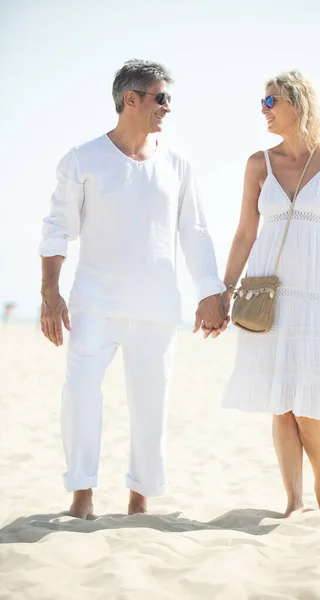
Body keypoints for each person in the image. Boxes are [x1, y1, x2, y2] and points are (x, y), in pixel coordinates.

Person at [39, 59, 228, 519]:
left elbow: (196, 232)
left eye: (168, 98)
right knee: (80, 392)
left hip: (157, 308)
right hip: (94, 305)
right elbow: (57, 228)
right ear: (131, 99)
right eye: (160, 97)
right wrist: (49, 292)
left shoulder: (178, 164)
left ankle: (139, 499)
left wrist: (210, 291)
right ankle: (81, 494)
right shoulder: (83, 158)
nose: (168, 107)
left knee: (150, 405)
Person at [219, 71, 320, 516]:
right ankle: (294, 500)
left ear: (298, 103)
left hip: (317, 292)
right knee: (279, 397)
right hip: (266, 291)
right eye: (262, 103)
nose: (263, 110)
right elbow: (245, 233)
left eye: (270, 102)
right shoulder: (257, 163)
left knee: (309, 394)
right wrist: (225, 291)